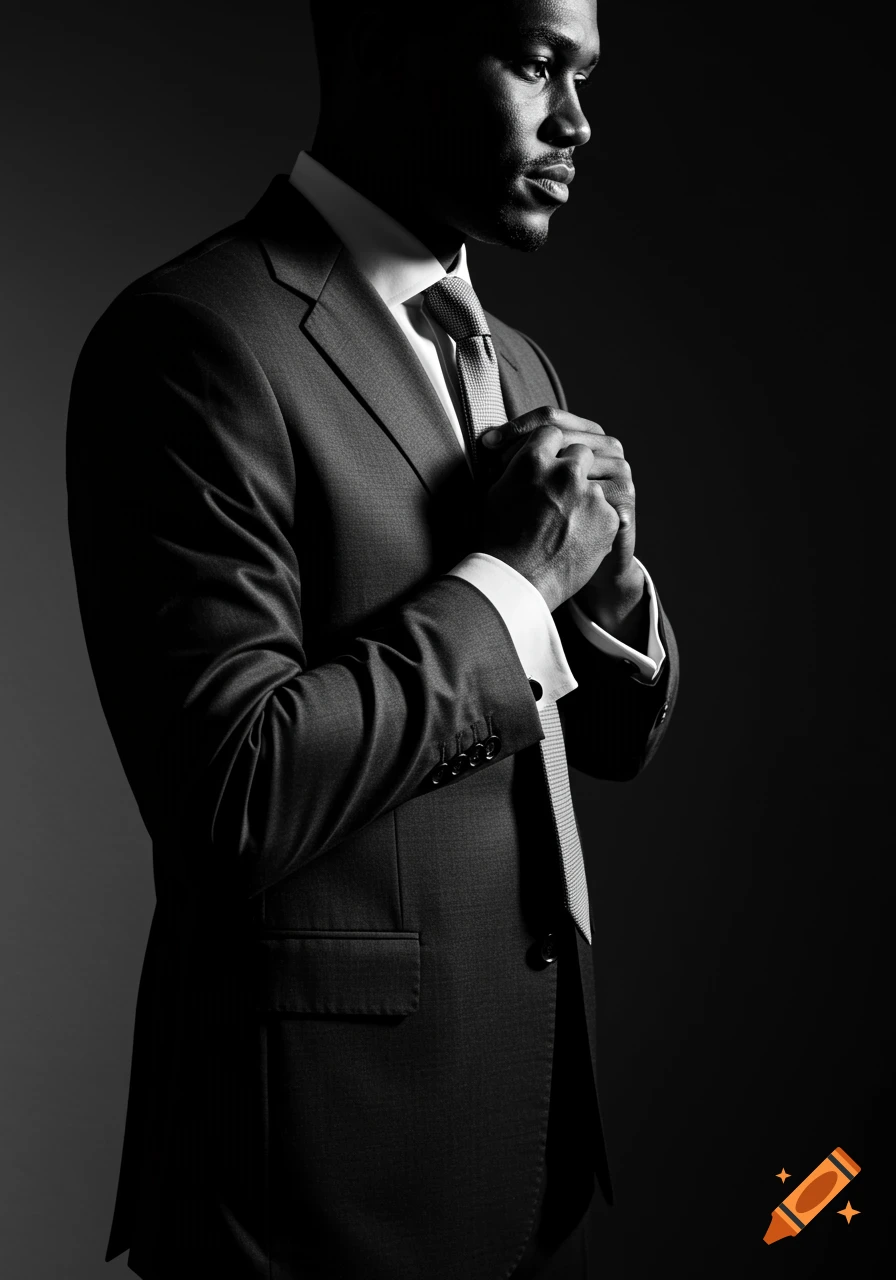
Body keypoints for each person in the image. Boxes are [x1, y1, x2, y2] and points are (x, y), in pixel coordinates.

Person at [66, 1, 679, 1275]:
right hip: (313, 1171)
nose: (575, 121)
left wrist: (606, 582)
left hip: (521, 1131)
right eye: (535, 64)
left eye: (584, 75)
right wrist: (514, 583)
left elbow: (606, 738)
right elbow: (228, 788)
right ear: (380, 45)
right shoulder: (193, 338)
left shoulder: (520, 363)